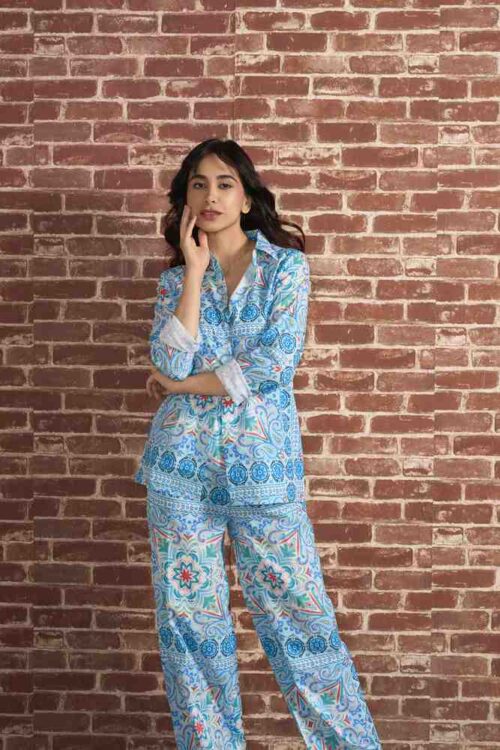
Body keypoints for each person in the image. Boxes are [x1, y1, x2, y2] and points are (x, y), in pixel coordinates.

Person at [135, 138, 382, 749]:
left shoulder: (285, 270)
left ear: (247, 198)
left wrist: (182, 386)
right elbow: (168, 357)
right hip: (180, 471)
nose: (211, 196)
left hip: (263, 473)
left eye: (224, 184)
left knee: (301, 620)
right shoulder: (175, 282)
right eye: (198, 184)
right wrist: (194, 274)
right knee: (190, 630)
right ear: (185, 199)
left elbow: (273, 364)